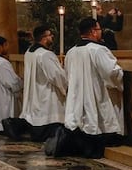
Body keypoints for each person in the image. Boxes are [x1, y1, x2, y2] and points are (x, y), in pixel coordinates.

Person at [62, 17, 124, 158]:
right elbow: (111, 72)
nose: (100, 32)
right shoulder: (98, 50)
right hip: (95, 93)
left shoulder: (71, 52)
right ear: (93, 32)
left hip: (77, 96)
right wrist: (120, 75)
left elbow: (67, 75)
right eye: (99, 29)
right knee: (96, 121)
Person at [20, 24, 67, 141]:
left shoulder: (29, 52)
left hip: (35, 94)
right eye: (50, 35)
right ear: (44, 38)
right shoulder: (46, 54)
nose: (52, 37)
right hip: (47, 96)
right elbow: (56, 76)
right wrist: (66, 86)